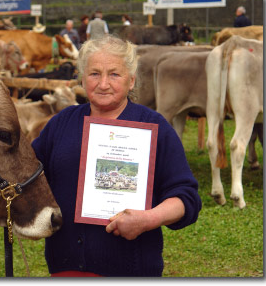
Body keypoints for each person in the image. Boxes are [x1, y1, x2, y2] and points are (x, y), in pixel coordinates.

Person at [31, 35, 202, 277]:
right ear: (81, 77)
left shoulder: (154, 127)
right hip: (65, 268)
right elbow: (27, 174)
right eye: (94, 74)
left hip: (131, 271)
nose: (103, 84)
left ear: (131, 81)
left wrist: (148, 219)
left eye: (114, 74)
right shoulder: (61, 123)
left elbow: (187, 199)